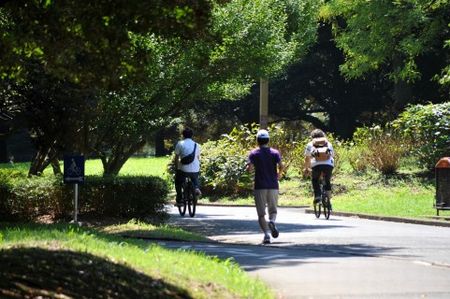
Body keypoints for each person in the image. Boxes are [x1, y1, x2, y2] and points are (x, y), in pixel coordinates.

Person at [246, 129, 285, 244]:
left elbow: (249, 169)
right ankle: (272, 221)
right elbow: (281, 165)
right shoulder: (275, 152)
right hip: (273, 185)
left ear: (257, 141)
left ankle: (266, 235)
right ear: (268, 140)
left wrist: (248, 168)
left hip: (260, 186)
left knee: (261, 213)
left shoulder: (254, 153)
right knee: (273, 210)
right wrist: (279, 174)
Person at [304, 129, 334, 205]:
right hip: (328, 164)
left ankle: (317, 197)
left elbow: (307, 158)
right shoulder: (328, 143)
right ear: (323, 135)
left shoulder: (310, 144)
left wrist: (307, 168)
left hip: (316, 165)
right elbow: (332, 155)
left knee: (315, 180)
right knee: (327, 180)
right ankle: (328, 198)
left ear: (312, 137)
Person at [174, 127, 201, 206]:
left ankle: (179, 200)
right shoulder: (197, 145)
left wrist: (176, 168)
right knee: (195, 178)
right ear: (192, 135)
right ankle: (196, 188)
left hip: (183, 169)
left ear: (183, 135)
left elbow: (176, 158)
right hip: (195, 167)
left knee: (178, 182)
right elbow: (198, 158)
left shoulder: (180, 143)